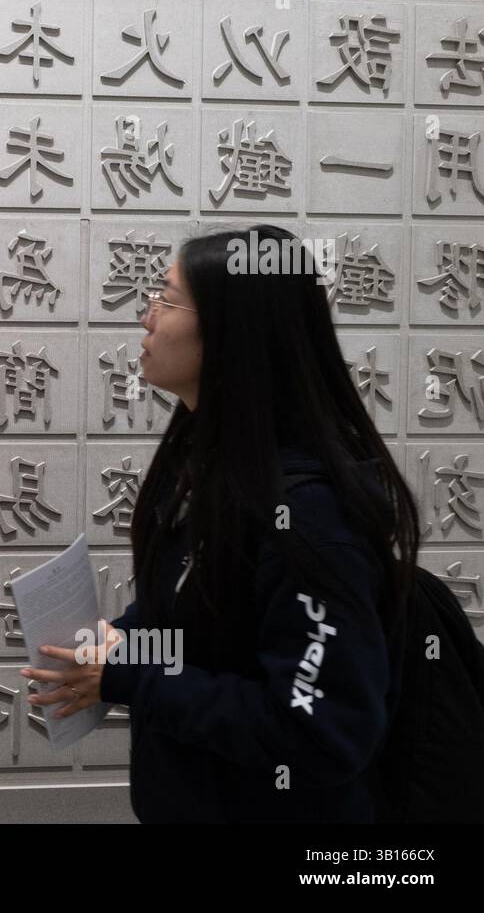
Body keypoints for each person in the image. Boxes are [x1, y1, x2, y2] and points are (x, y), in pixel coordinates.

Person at [22, 224, 420, 822]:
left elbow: (319, 731)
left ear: (231, 333)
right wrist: (126, 641)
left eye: (166, 298)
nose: (147, 318)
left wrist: (134, 676)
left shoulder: (311, 519)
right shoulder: (212, 468)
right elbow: (201, 620)